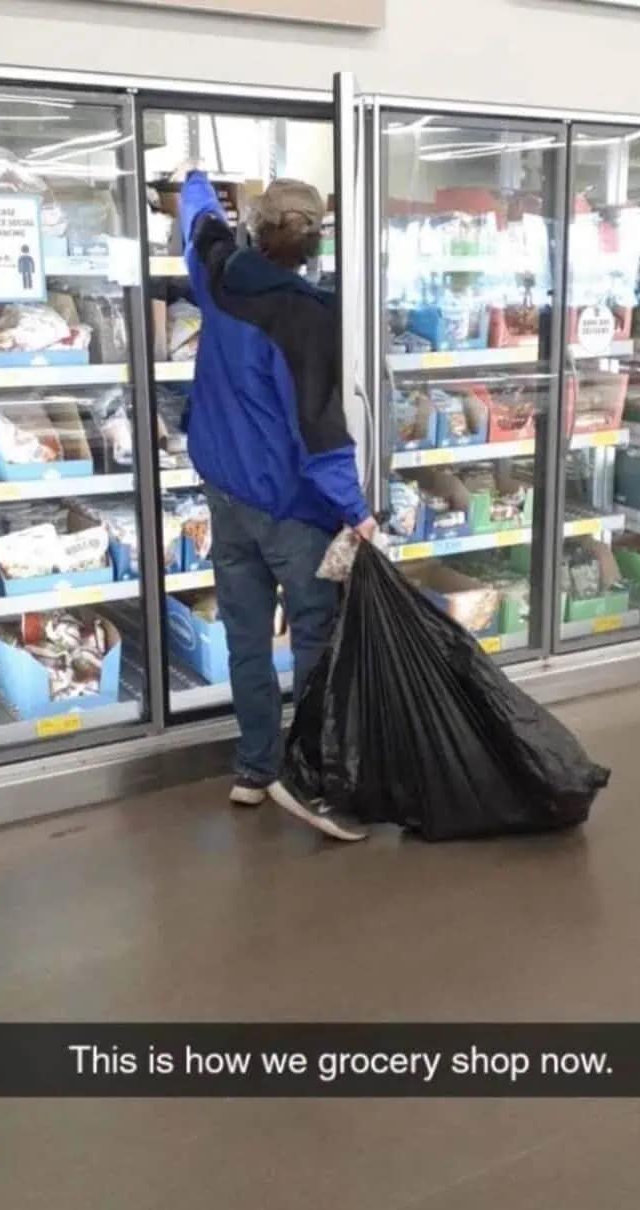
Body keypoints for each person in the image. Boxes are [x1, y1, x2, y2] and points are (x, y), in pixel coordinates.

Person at [176, 164, 376, 841]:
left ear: (257, 230)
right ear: (315, 244)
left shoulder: (220, 274)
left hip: (225, 496)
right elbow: (320, 432)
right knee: (316, 640)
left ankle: (254, 770)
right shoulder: (308, 316)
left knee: (246, 637)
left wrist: (198, 179)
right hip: (291, 511)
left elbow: (196, 221)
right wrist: (358, 511)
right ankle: (309, 778)